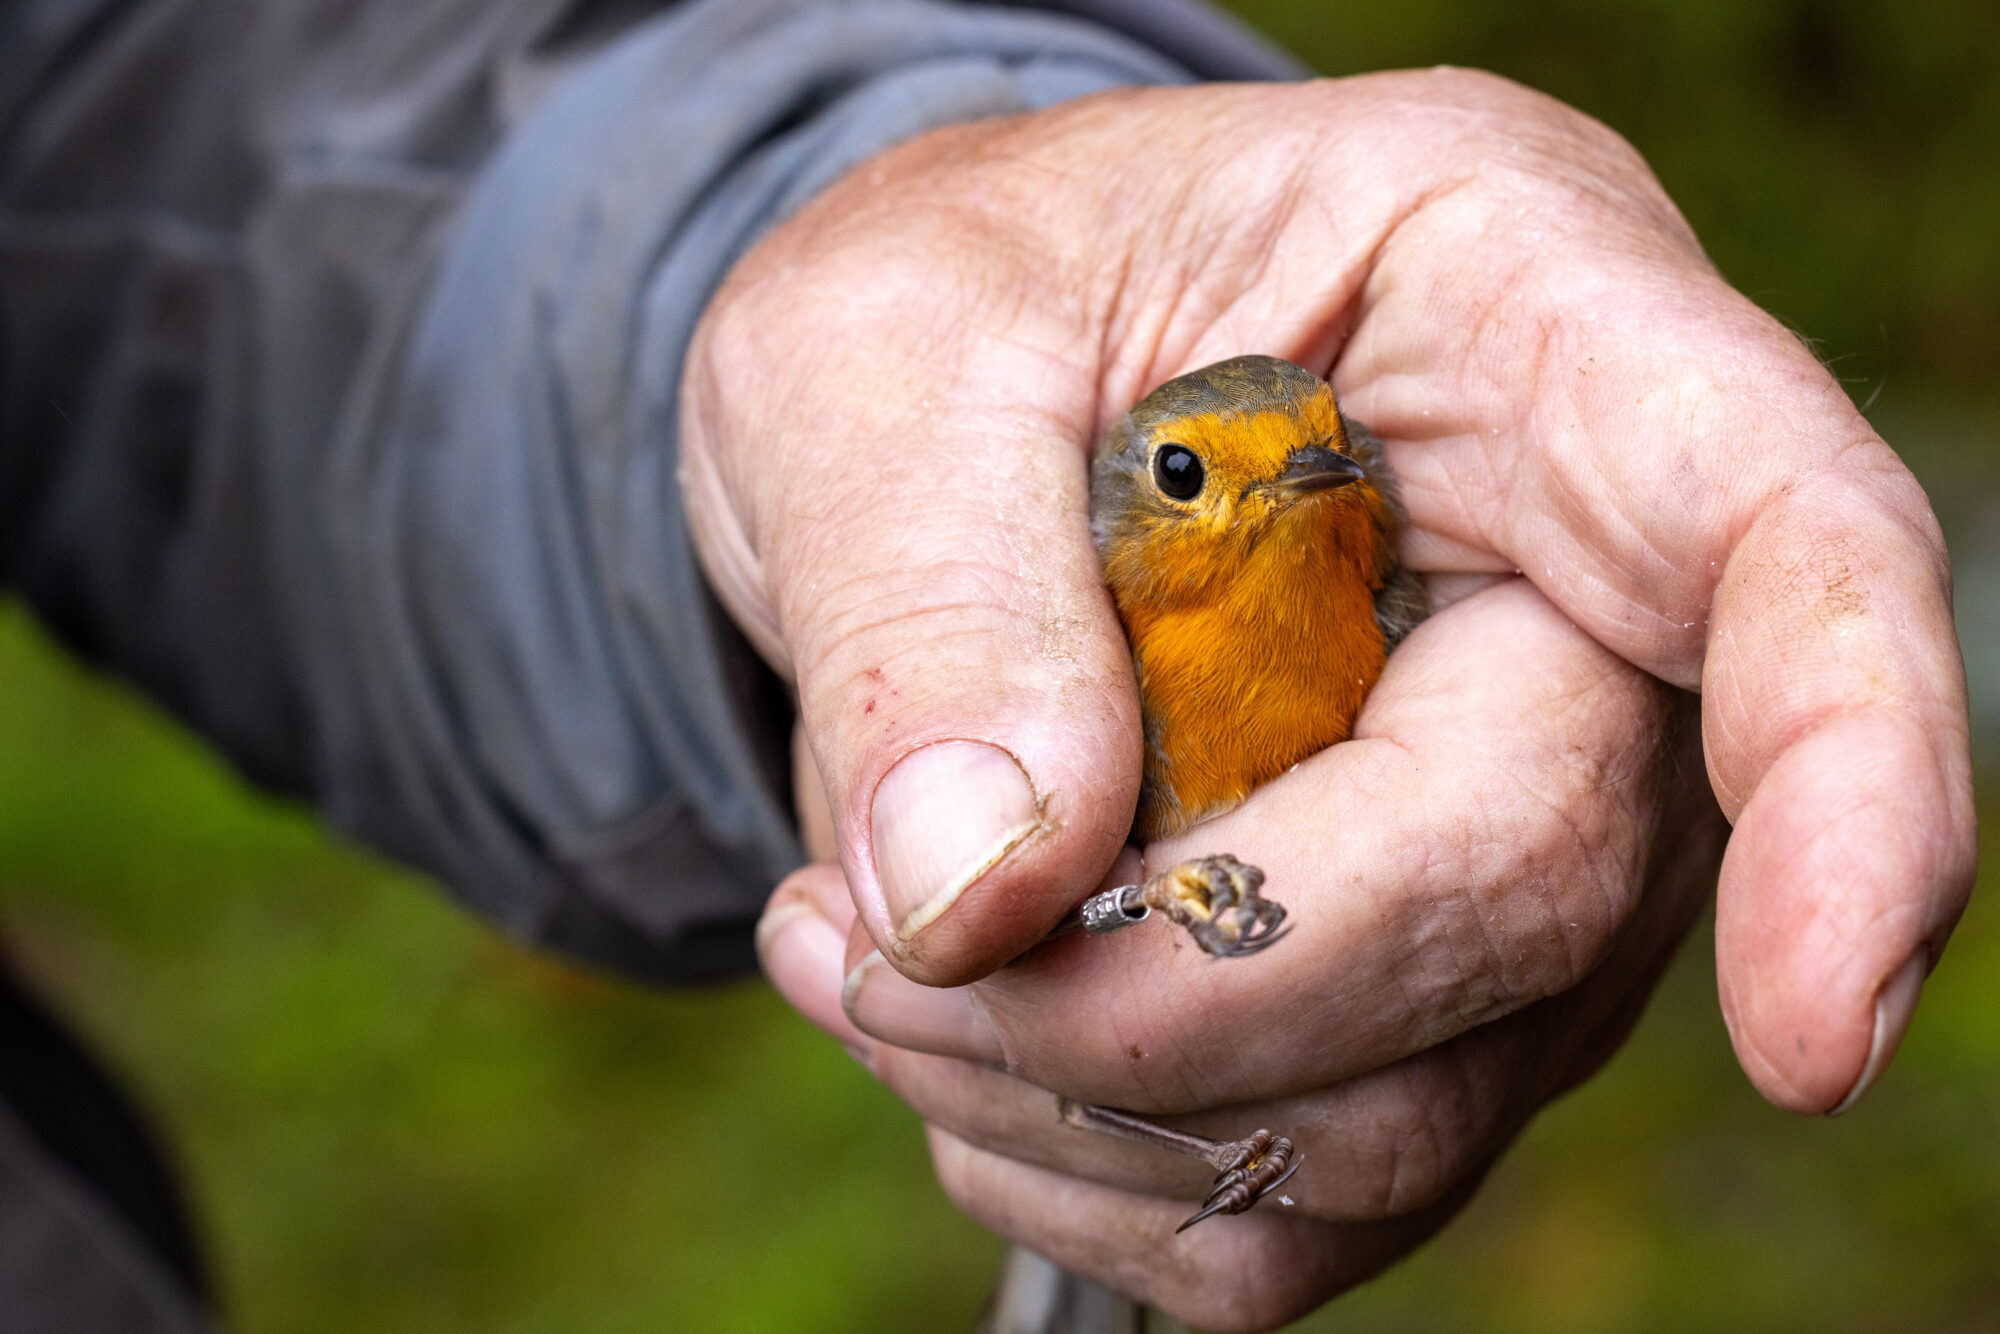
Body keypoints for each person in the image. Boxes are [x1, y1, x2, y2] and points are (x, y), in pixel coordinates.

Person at [0, 0, 1972, 1329]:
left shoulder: (1359, 611)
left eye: (1326, 465)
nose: (1288, 497)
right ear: (1129, 509)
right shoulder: (1125, 637)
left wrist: (826, 226)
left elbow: (141, 105)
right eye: (1202, 475)